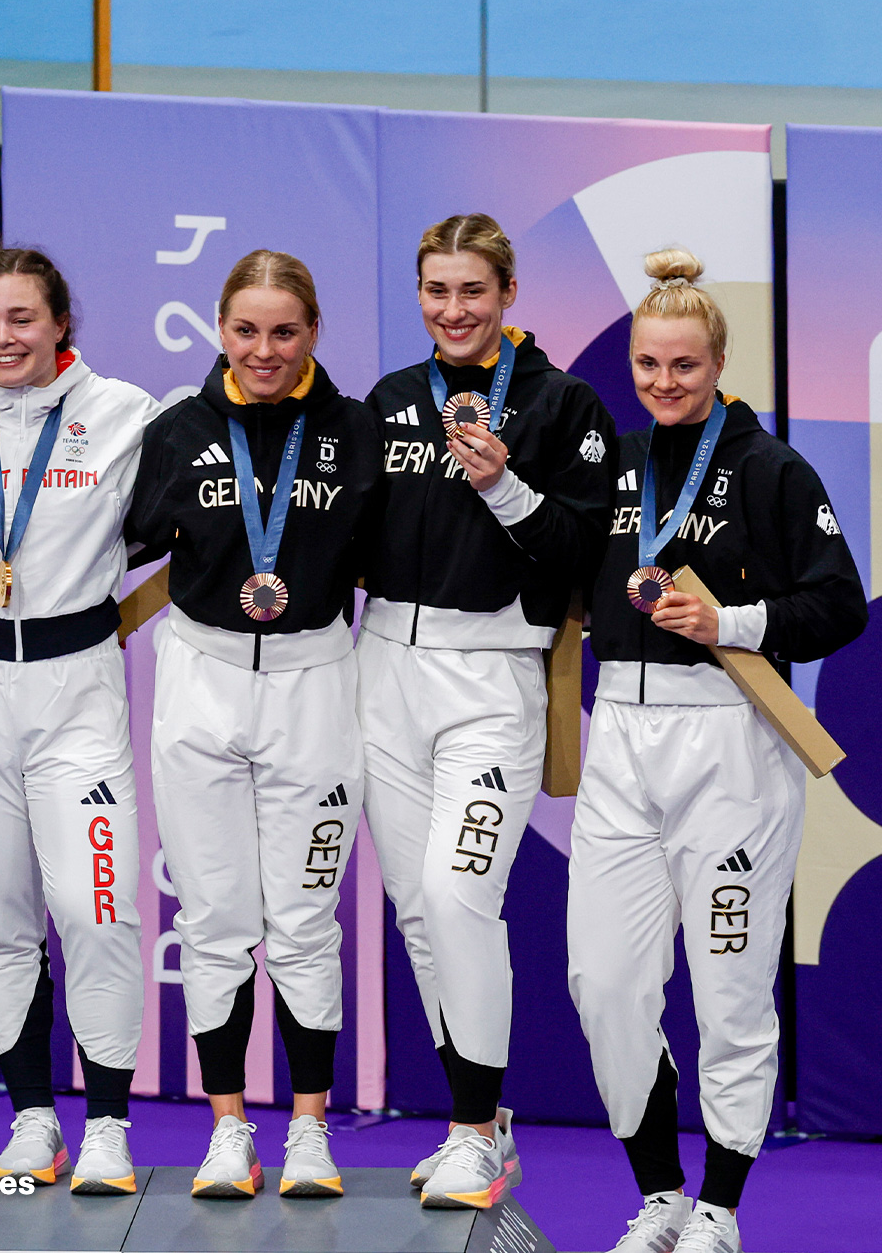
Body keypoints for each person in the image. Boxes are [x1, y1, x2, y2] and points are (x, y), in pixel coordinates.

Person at [568, 250, 864, 1253]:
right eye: (649, 365)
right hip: (618, 733)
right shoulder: (615, 458)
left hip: (732, 738)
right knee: (603, 982)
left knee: (729, 985)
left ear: (718, 362)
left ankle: (720, 1209)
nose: (662, 382)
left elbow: (836, 603)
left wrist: (729, 617)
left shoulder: (772, 468)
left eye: (682, 366)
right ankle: (656, 1197)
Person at [358, 213, 614, 1209]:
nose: (452, 310)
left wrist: (504, 484)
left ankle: (469, 1127)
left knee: (460, 897)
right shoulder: (387, 401)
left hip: (493, 680)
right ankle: (485, 1124)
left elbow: (582, 549)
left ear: (506, 295)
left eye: (471, 291)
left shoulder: (560, 405)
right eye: (436, 291)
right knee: (419, 911)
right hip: (384, 672)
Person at [128, 251, 384, 1200]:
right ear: (219, 331)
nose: (265, 350)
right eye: (246, 331)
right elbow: (114, 543)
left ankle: (310, 1131)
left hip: (316, 683)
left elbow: (393, 561)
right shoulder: (178, 430)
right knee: (216, 921)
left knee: (307, 921)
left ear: (313, 330)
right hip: (200, 680)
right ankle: (228, 1128)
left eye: (284, 332)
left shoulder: (356, 434)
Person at [0, 249, 157, 1194]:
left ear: (62, 322)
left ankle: (107, 1124)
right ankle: (31, 1118)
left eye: (23, 318)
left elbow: (168, 527)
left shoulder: (127, 415)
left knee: (96, 911)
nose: (3, 338)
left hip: (77, 691)